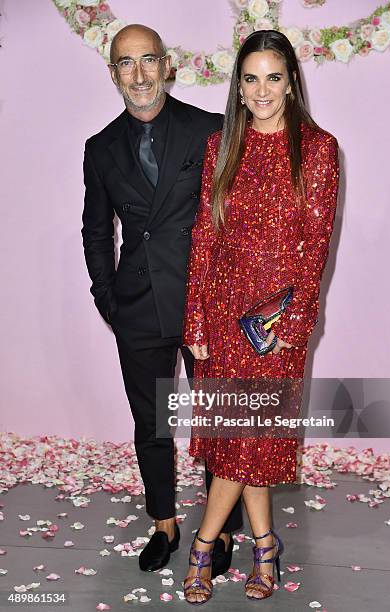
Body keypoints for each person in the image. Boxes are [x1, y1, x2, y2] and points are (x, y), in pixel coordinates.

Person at [182, 29, 339, 603]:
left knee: (245, 438)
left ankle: (202, 548)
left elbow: (315, 247)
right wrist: (195, 317)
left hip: (275, 325)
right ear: (239, 87)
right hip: (224, 316)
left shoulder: (318, 148)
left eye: (274, 76)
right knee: (239, 438)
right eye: (251, 78)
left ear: (292, 81)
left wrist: (295, 330)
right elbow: (204, 236)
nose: (263, 89)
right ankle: (265, 546)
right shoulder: (222, 144)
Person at [81, 24, 243, 575]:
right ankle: (164, 523)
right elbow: (97, 231)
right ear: (114, 74)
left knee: (219, 418)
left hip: (204, 305)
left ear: (167, 65)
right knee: (150, 420)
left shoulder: (210, 130)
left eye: (149, 60)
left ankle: (219, 531)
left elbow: (235, 221)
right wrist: (109, 298)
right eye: (127, 64)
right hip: (139, 306)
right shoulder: (100, 148)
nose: (140, 74)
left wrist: (231, 296)